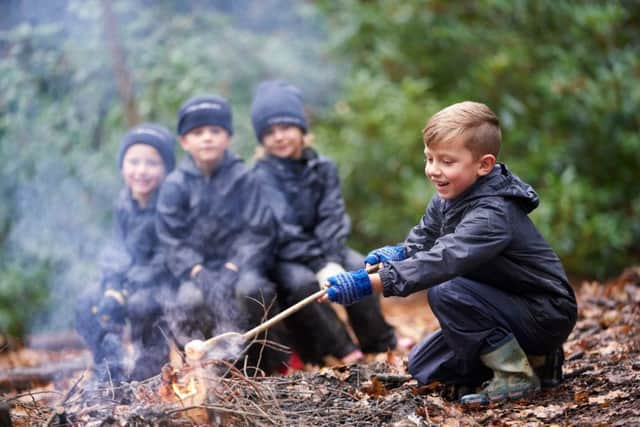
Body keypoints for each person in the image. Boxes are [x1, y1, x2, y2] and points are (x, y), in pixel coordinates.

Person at [323, 101, 577, 405]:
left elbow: (444, 258)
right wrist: (396, 254)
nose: (433, 170)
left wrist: (369, 284)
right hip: (501, 307)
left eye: (446, 161)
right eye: (429, 158)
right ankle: (538, 362)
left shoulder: (493, 213)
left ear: (483, 165)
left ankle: (516, 376)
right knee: (425, 366)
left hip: (544, 312)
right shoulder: (448, 199)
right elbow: (422, 242)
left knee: (447, 291)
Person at [250, 80, 398, 365]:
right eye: (270, 132)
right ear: (261, 139)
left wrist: (330, 258)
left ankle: (379, 340)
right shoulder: (260, 176)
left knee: (358, 267)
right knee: (303, 283)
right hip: (286, 254)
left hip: (326, 246)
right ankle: (340, 348)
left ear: (301, 129)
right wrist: (319, 264)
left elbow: (333, 215)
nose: (279, 137)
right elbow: (282, 227)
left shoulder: (323, 168)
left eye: (286, 128)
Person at [156, 94, 287, 374]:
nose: (207, 138)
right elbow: (171, 239)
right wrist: (195, 270)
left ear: (227, 137)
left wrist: (234, 266)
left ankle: (269, 368)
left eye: (215, 131)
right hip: (197, 270)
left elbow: (259, 230)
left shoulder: (244, 177)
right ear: (184, 142)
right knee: (188, 301)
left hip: (240, 266)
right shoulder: (174, 185)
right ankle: (205, 373)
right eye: (198, 132)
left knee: (253, 291)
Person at [75, 123, 177, 383]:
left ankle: (151, 368)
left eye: (151, 163)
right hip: (131, 280)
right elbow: (115, 250)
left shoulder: (171, 202)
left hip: (162, 283)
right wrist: (112, 287)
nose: (141, 171)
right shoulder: (124, 202)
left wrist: (127, 288)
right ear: (122, 166)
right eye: (134, 162)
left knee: (141, 303)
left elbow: (170, 255)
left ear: (166, 168)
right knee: (88, 300)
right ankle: (109, 367)